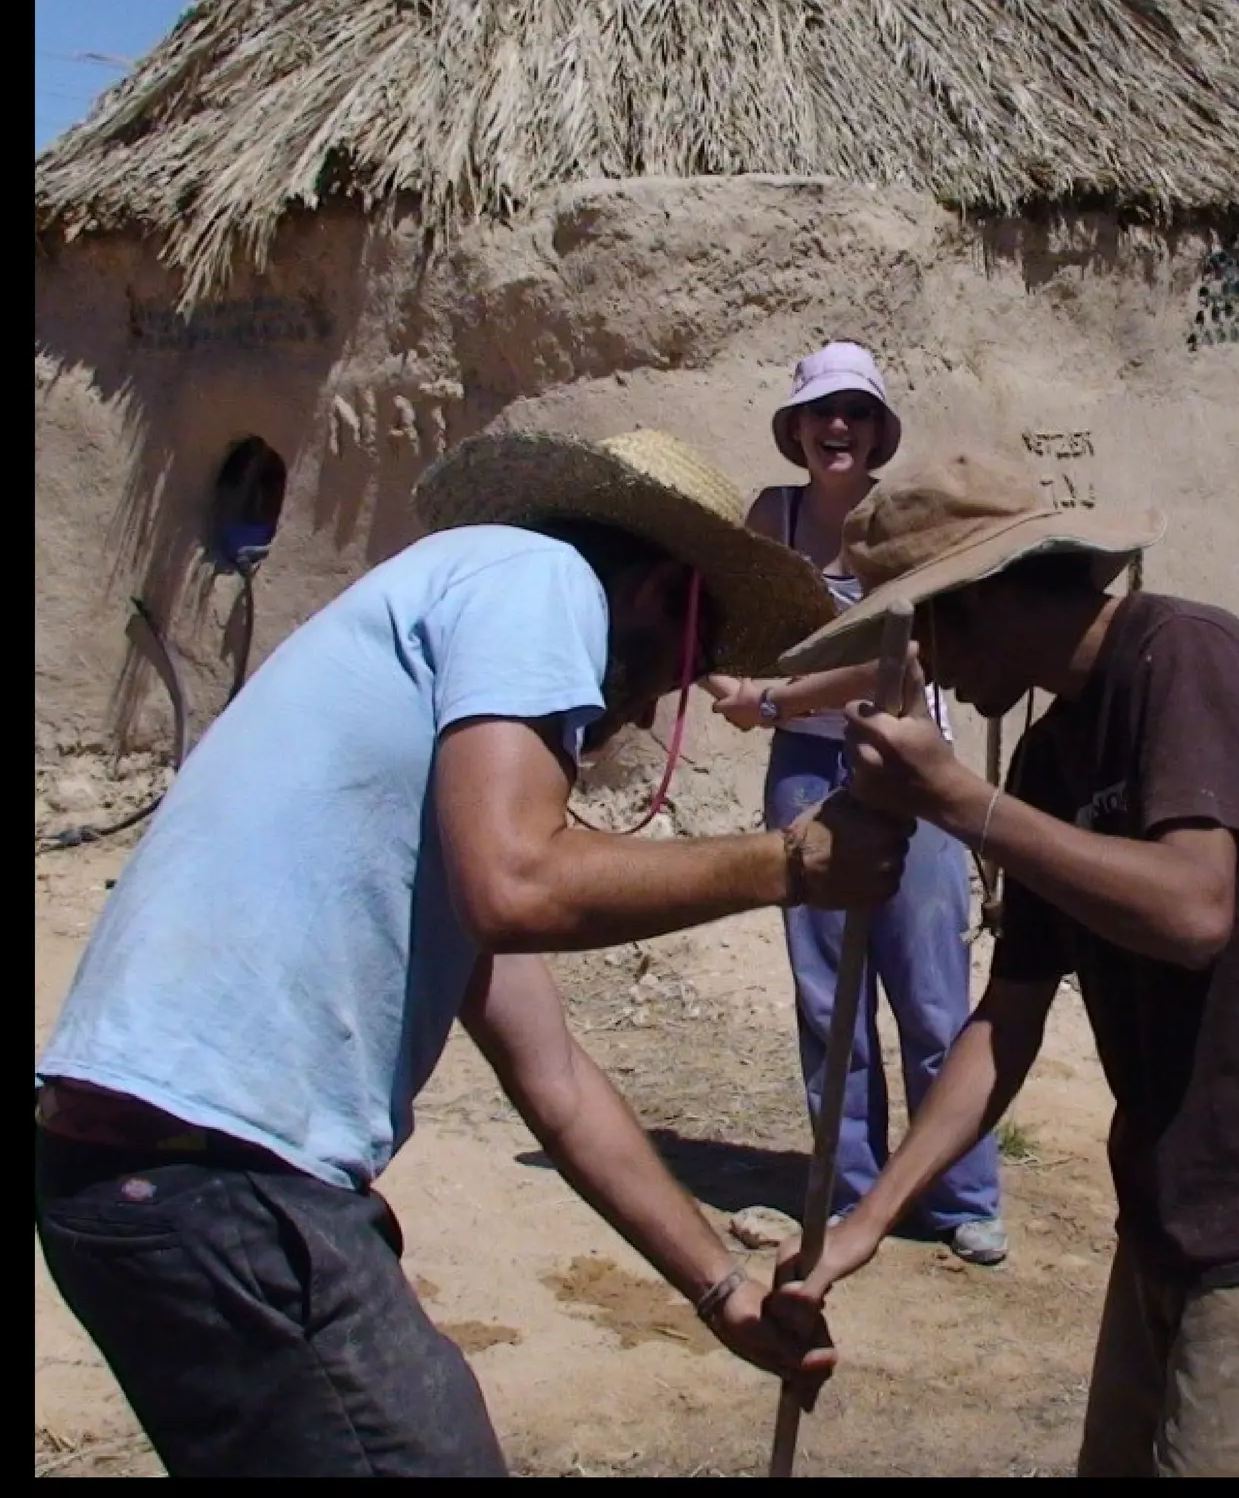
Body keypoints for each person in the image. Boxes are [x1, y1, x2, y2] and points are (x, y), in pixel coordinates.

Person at [32, 427, 916, 1478]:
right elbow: (520, 882)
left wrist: (719, 1291)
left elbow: (557, 1084)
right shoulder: (540, 579)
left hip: (147, 1172)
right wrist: (794, 860)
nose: (642, 708)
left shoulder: (446, 697)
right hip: (210, 1173)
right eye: (679, 668)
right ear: (657, 594)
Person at [768, 447, 1239, 1478]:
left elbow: (1193, 907)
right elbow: (1005, 1020)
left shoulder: (1185, 659)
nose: (927, 667)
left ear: (983, 597)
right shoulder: (1050, 753)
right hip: (1176, 1205)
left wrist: (961, 802)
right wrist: (867, 1220)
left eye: (924, 629)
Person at [700, 343, 1006, 1267]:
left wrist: (775, 696)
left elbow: (901, 660)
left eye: (857, 413)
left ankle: (961, 1195)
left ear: (877, 433)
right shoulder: (772, 516)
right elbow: (716, 622)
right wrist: (733, 685)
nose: (839, 427)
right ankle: (852, 1188)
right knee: (828, 994)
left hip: (909, 764)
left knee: (931, 990)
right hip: (805, 768)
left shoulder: (895, 522)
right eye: (823, 411)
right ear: (796, 428)